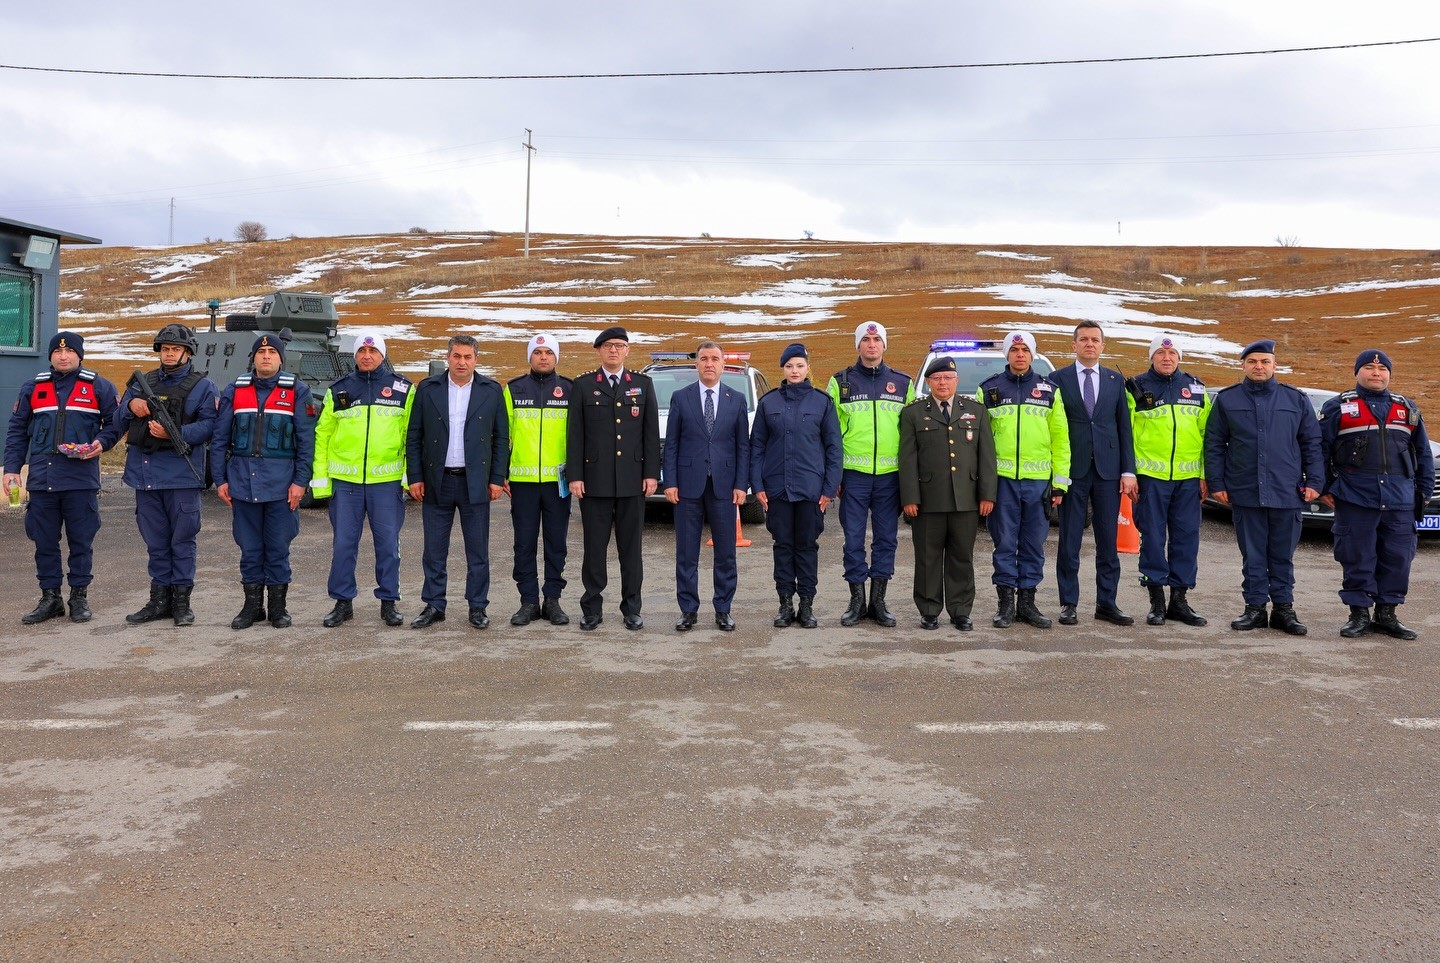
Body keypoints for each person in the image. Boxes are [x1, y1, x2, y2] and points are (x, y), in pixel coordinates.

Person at [1204, 339, 1324, 635]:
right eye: (1253, 362)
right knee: (1253, 555)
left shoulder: (1295, 399)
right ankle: (1255, 609)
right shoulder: (1228, 400)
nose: (1259, 366)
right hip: (1246, 491)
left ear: (1274, 365)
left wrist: (1316, 482)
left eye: (1265, 362)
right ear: (1243, 365)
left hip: (1287, 491)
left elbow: (1312, 444)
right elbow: (1215, 444)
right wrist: (1217, 483)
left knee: (1282, 555)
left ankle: (1284, 611)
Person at [105, 323, 219, 627]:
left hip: (182, 476)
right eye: (165, 349)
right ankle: (158, 601)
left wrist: (174, 432)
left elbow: (211, 426)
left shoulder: (203, 387)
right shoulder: (143, 383)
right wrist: (131, 403)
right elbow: (118, 419)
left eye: (175, 349)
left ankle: (182, 603)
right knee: (155, 542)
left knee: (182, 541)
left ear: (187, 352)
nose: (169, 354)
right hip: (145, 476)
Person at [4, 332, 118, 624]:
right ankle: (50, 598)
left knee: (81, 541)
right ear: (51, 355)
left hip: (80, 480)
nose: (63, 356)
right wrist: (12, 470)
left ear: (80, 355)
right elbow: (17, 431)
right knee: (44, 542)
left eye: (69, 352)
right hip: (42, 480)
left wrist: (101, 443)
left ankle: (79, 597)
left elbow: (116, 424)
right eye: (57, 351)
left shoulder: (98, 386)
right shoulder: (34, 387)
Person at [1318, 349, 1433, 640]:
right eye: (1369, 367)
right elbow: (1319, 449)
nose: (1376, 373)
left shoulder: (1407, 407)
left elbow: (1423, 452)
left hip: (1400, 498)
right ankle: (1358, 614)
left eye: (1382, 370)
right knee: (1357, 555)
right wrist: (1324, 486)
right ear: (1357, 372)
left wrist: (1425, 490)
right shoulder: (1339, 407)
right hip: (1356, 496)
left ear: (1389, 374)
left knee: (1397, 557)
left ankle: (1387, 614)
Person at [210, 334, 316, 630]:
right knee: (250, 548)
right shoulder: (235, 390)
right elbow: (220, 439)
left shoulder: (297, 391)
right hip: (243, 483)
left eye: (272, 352)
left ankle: (278, 608)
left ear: (281, 358)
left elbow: (307, 442)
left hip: (282, 487)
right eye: (261, 352)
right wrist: (220, 479)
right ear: (253, 357)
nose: (266, 356)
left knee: (278, 548)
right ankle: (252, 607)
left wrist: (300, 482)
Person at [310, 331, 414, 628]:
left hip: (386, 482)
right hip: (346, 484)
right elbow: (323, 435)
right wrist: (321, 481)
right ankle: (343, 602)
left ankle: (389, 602)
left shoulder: (403, 390)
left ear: (382, 355)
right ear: (355, 355)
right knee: (343, 545)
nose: (367, 356)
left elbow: (410, 437)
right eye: (362, 351)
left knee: (388, 546)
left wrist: (408, 477)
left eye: (373, 351)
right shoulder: (339, 390)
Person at [407, 334, 508, 629]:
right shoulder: (427, 389)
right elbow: (414, 436)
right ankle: (434, 605)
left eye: (468, 357)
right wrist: (415, 476)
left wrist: (497, 478)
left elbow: (501, 438)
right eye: (456, 356)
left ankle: (477, 606)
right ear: (447, 357)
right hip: (437, 480)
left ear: (476, 359)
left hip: (475, 482)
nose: (462, 362)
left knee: (477, 551)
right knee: (434, 550)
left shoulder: (491, 391)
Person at [566, 326, 660, 631]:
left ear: (628, 350)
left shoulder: (643, 385)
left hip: (633, 481)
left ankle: (632, 607)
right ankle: (592, 608)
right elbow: (575, 435)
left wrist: (651, 474)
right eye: (608, 346)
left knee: (630, 550)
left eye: (619, 346)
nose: (614, 351)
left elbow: (650, 433)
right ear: (599, 351)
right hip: (594, 482)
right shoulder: (582, 386)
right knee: (594, 549)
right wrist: (575, 476)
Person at [977, 330, 1070, 629]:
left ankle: (1027, 604)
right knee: (1004, 543)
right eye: (1014, 349)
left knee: (1033, 545)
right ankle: (1005, 605)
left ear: (1032, 354)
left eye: (1025, 349)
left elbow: (1061, 438)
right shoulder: (988, 390)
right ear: (1007, 354)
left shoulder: (1049, 390)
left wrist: (1060, 482)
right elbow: (980, 441)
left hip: (1038, 483)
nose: (1020, 354)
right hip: (1002, 481)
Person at [898, 356, 997, 631]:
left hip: (966, 498)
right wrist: (909, 497)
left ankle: (960, 610)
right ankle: (929, 610)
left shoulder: (976, 412)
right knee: (928, 558)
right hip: (927, 500)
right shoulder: (913, 413)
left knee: (961, 557)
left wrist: (987, 495)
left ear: (957, 381)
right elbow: (907, 459)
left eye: (948, 378)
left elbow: (987, 457)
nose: (943, 383)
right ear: (929, 382)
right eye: (937, 378)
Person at [826, 321, 915, 628]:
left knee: (886, 540)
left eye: (877, 340)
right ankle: (856, 600)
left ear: (884, 345)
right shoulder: (841, 382)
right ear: (858, 345)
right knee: (852, 540)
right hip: (854, 476)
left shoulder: (904, 383)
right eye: (866, 339)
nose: (872, 344)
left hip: (890, 477)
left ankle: (878, 600)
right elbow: (831, 435)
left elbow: (911, 435)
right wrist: (834, 475)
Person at [1050, 321, 1138, 626]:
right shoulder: (1057, 379)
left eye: (1095, 340)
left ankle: (1107, 603)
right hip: (1073, 471)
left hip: (1109, 471)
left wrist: (1128, 470)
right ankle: (1069, 603)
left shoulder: (1116, 381)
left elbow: (1124, 428)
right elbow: (1053, 428)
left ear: (1103, 346)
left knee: (1107, 539)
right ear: (1073, 345)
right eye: (1084, 339)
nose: (1090, 344)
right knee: (1069, 539)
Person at [750, 343, 842, 629]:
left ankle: (806, 604)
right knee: (782, 546)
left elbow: (834, 450)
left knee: (806, 547)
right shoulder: (769, 403)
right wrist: (758, 485)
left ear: (807, 368)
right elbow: (757, 448)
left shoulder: (822, 402)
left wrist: (828, 490)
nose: (794, 371)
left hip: (811, 492)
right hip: (777, 491)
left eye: (800, 366)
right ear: (783, 369)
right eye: (789, 366)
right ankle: (785, 604)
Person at [663, 341, 751, 632]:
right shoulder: (681, 397)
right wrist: (670, 481)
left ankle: (723, 609)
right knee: (687, 553)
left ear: (723, 365)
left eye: (715, 359)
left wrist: (741, 484)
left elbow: (743, 446)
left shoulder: (736, 399)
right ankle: (688, 610)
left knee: (725, 552)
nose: (709, 363)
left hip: (725, 488)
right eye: (704, 359)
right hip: (687, 487)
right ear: (696, 364)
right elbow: (672, 444)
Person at [1126, 335, 1210, 627]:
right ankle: (1156, 601)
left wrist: (1203, 474)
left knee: (1186, 539)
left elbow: (1206, 435)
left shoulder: (1196, 388)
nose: (1166, 358)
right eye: (1161, 353)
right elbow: (1127, 435)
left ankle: (1179, 600)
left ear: (1179, 357)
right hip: (1150, 479)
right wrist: (1130, 473)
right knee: (1151, 538)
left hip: (1188, 480)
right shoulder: (1136, 387)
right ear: (1151, 357)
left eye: (1172, 353)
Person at [503, 333, 572, 627]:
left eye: (548, 352)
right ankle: (529, 601)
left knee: (556, 544)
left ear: (556, 357)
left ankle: (553, 600)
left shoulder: (570, 389)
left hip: (558, 484)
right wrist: (501, 473)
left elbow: (579, 438)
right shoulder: (513, 389)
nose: (543, 357)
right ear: (529, 357)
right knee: (524, 544)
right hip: (523, 483)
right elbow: (501, 435)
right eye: (538, 352)